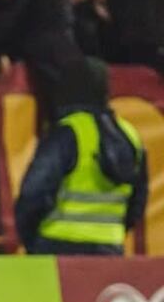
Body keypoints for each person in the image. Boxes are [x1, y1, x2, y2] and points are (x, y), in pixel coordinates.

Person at [15, 59, 146, 255]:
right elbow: (138, 202)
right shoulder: (130, 135)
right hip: (110, 247)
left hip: (57, 244)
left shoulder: (69, 132)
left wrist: (29, 238)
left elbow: (34, 192)